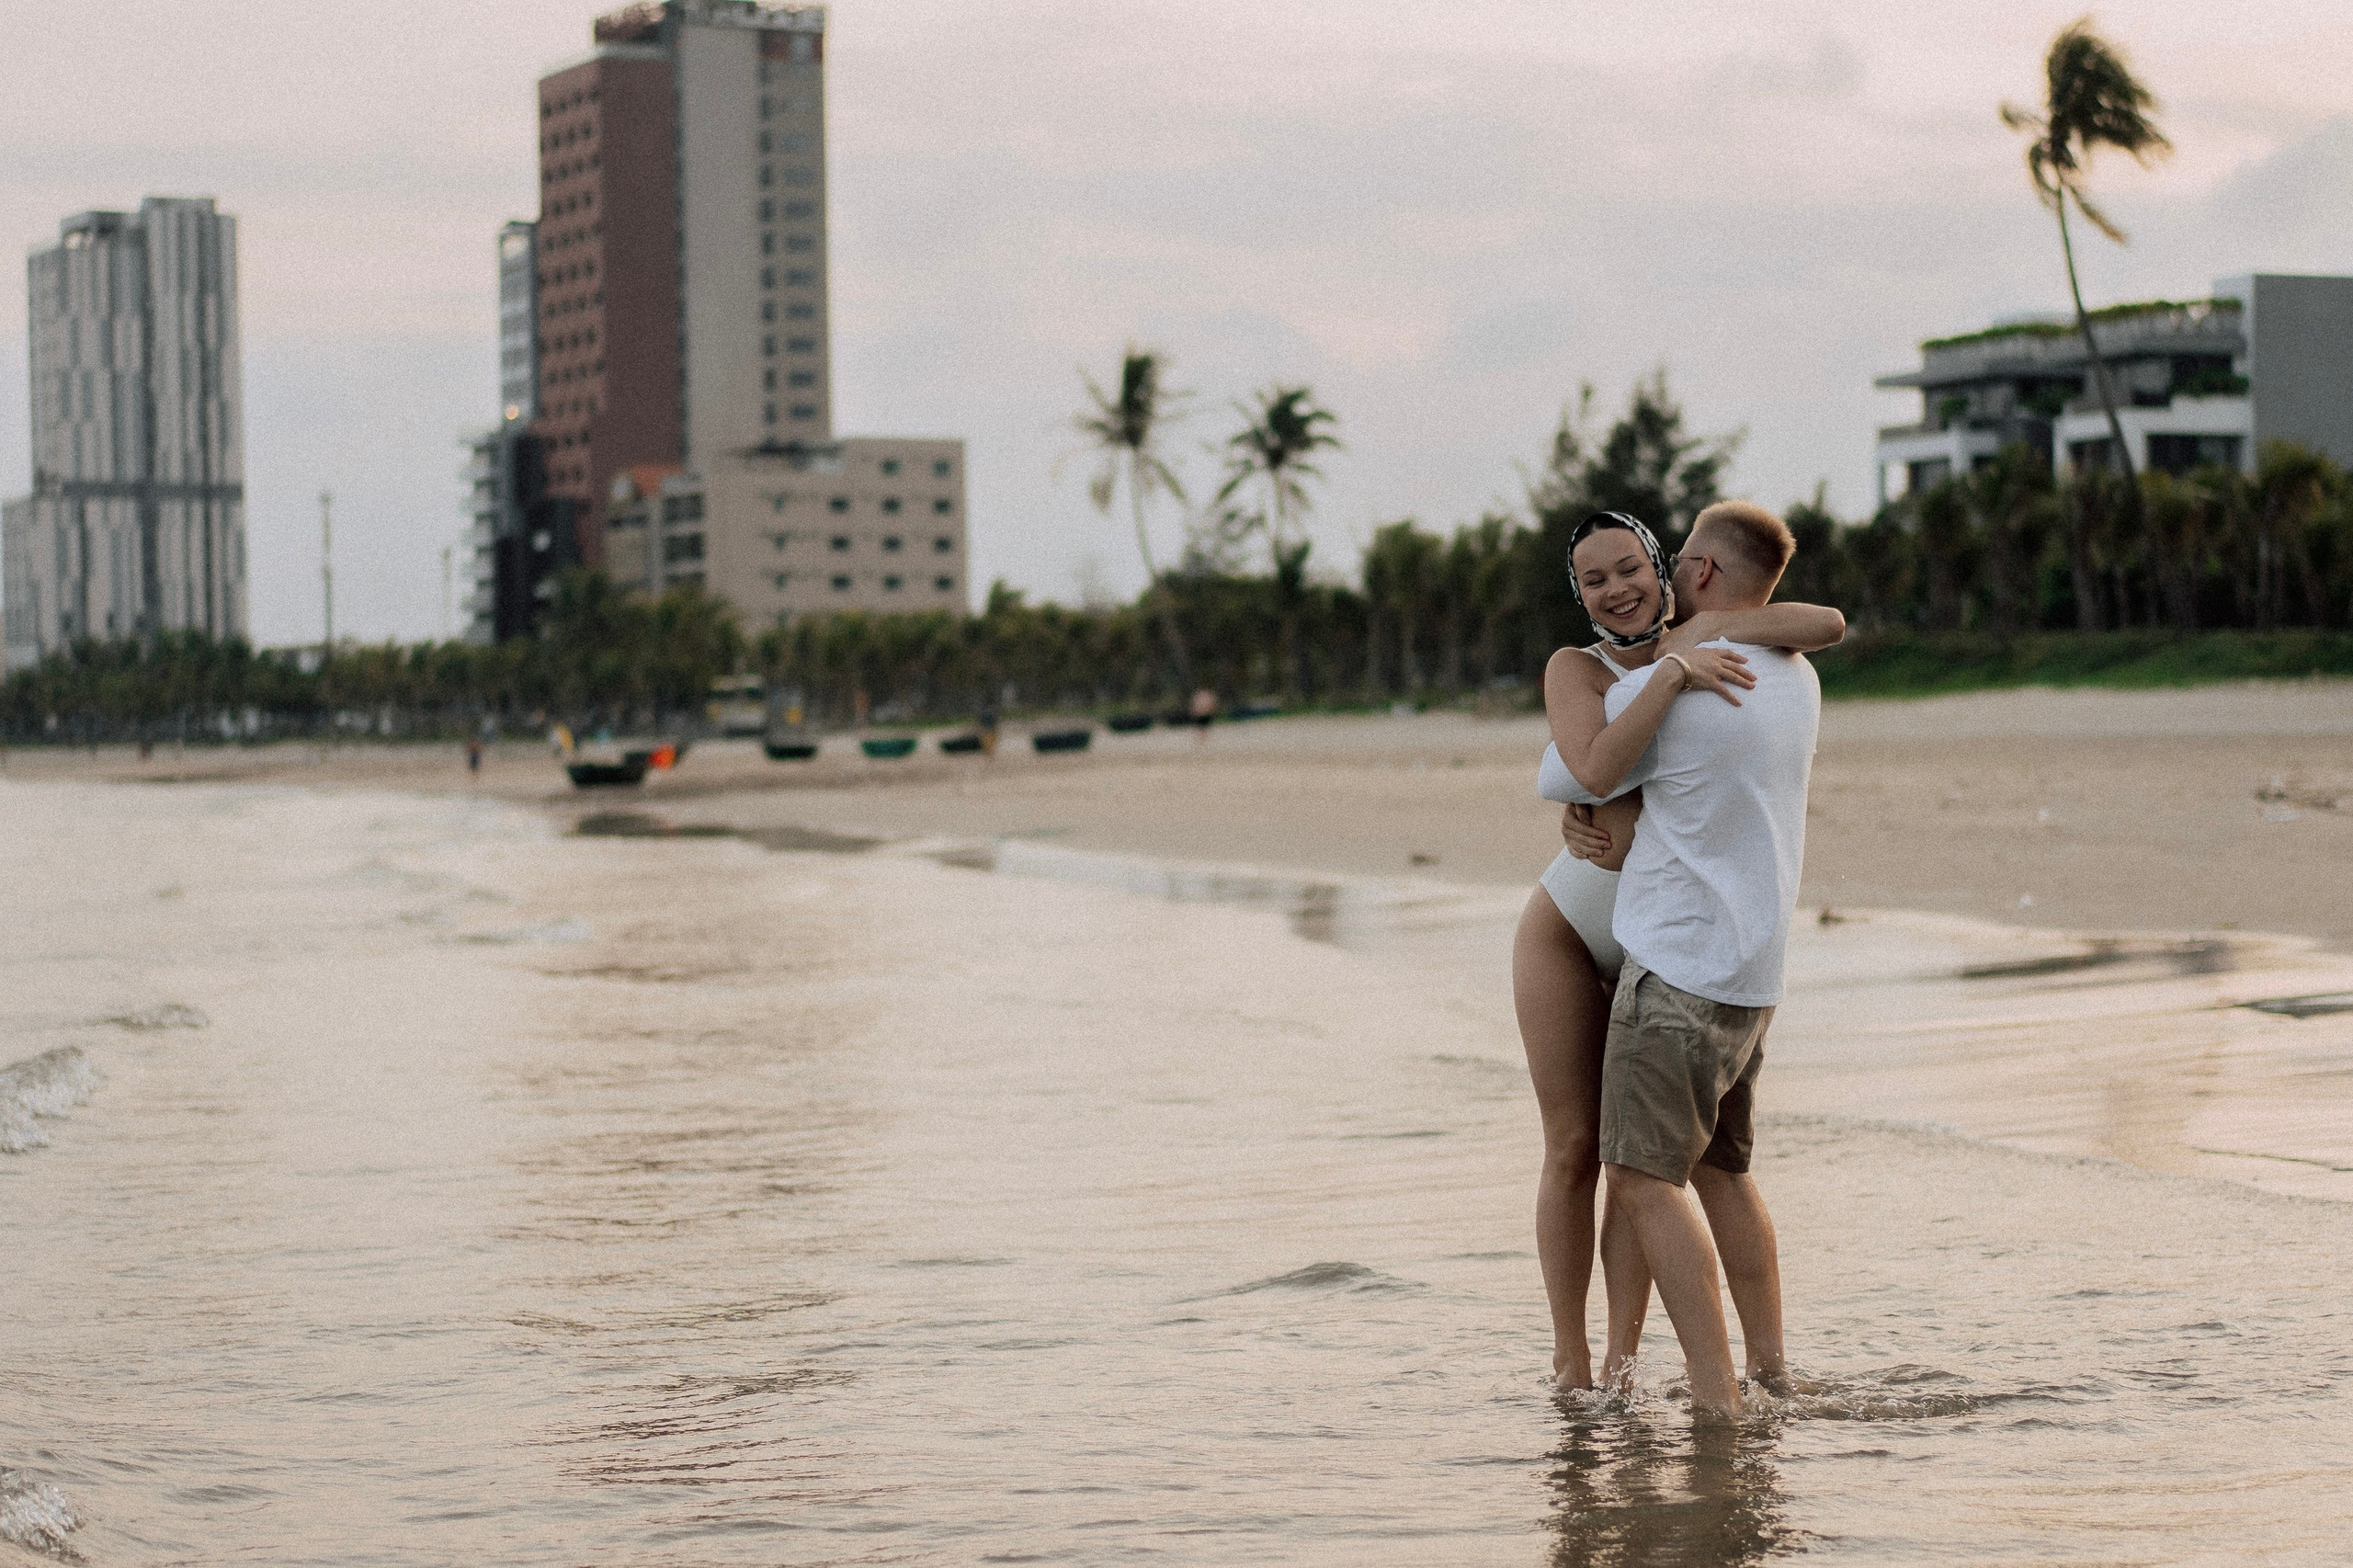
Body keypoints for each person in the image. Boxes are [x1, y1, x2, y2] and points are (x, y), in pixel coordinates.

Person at [1514, 509, 1843, 1394]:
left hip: (1666, 933)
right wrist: (1671, 675)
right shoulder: (1578, 669)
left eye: (1629, 568)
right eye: (1593, 580)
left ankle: (1626, 1358)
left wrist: (1699, 644)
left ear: (1670, 568)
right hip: (1576, 919)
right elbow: (1581, 766)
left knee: (1641, 1165)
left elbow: (1823, 623)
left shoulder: (1720, 644)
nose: (1615, 589)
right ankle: (1573, 1359)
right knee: (1576, 1147)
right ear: (1577, 595)